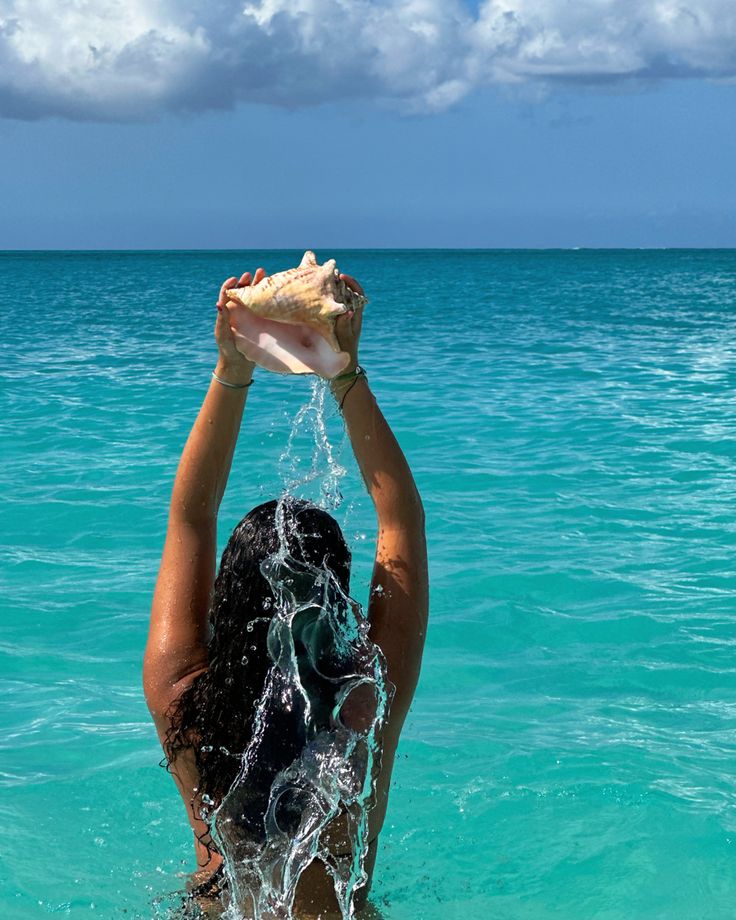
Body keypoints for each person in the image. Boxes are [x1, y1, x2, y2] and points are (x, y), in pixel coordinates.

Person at [143, 266, 428, 918]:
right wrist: (345, 372)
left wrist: (232, 365)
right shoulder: (366, 713)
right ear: (337, 606)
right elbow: (400, 522)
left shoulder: (181, 700)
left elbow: (190, 515)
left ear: (222, 604)